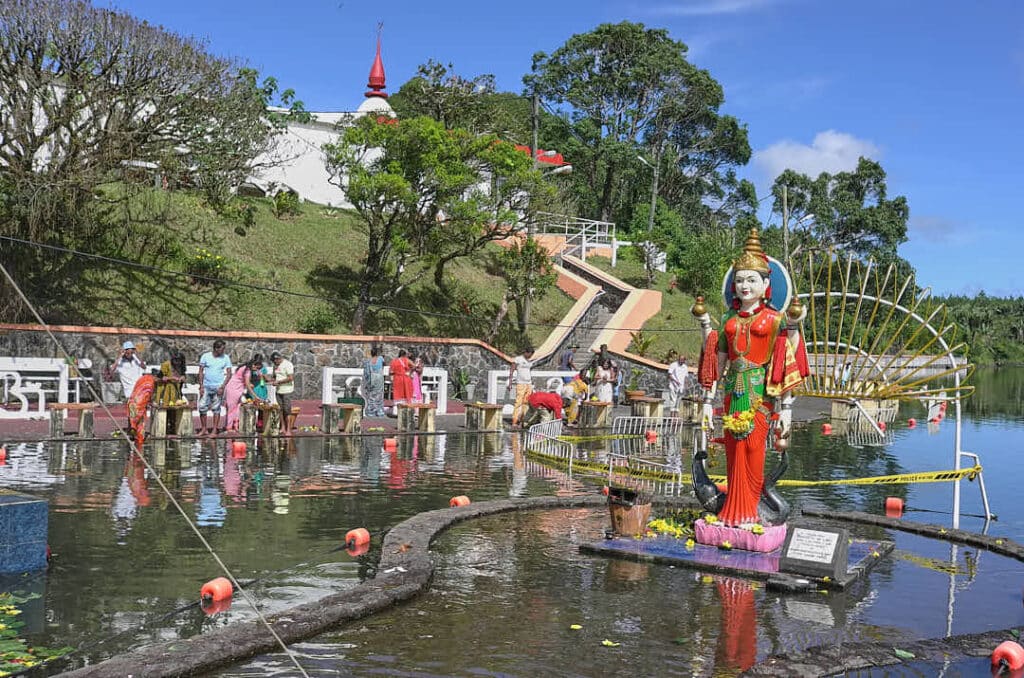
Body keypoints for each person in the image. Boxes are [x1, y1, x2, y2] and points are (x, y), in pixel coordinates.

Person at [691, 229, 808, 528]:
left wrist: (787, 409)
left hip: (760, 393)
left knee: (754, 449)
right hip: (732, 391)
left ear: (766, 283)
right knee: (733, 451)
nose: (744, 286)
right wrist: (707, 401)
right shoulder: (729, 320)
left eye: (751, 279)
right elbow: (718, 362)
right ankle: (731, 511)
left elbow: (787, 360)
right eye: (740, 280)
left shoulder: (776, 320)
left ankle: (751, 512)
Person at [197, 340, 232, 435]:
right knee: (202, 407)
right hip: (206, 386)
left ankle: (214, 429)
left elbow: (229, 374)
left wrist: (223, 386)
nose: (224, 351)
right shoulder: (205, 356)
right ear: (216, 349)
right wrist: (201, 386)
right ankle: (204, 428)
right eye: (222, 349)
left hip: (218, 386)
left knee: (216, 408)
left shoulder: (226, 358)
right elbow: (200, 371)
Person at [224, 354, 265, 432]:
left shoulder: (245, 368)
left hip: (239, 389)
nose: (256, 369)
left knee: (238, 408)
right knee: (232, 408)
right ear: (253, 364)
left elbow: (246, 382)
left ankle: (236, 426)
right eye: (256, 367)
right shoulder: (247, 371)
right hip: (233, 389)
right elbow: (247, 385)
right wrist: (256, 396)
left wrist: (250, 385)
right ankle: (229, 427)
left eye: (258, 368)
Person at [154, 350, 187, 433]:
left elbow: (182, 379)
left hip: (176, 392)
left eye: (179, 361)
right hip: (164, 392)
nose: (177, 363)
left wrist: (183, 378)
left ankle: (173, 429)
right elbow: (157, 379)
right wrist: (170, 378)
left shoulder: (181, 367)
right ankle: (163, 430)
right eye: (176, 361)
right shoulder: (166, 365)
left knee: (174, 411)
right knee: (165, 410)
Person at [268, 351, 297, 433]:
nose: (274, 363)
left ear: (278, 359)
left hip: (287, 391)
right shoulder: (275, 366)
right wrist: (270, 380)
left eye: (275, 361)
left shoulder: (288, 364)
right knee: (280, 409)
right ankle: (283, 427)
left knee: (287, 410)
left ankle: (288, 429)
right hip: (278, 391)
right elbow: (274, 377)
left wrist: (279, 382)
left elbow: (291, 378)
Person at [508, 347, 535, 428]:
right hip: (521, 383)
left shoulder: (530, 361)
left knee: (526, 403)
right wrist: (510, 382)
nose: (530, 356)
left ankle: (523, 421)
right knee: (518, 402)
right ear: (526, 352)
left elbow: (529, 371)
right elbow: (512, 369)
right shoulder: (518, 359)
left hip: (529, 383)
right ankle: (514, 421)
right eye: (530, 355)